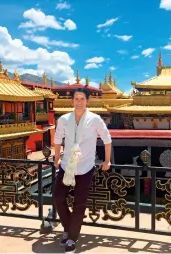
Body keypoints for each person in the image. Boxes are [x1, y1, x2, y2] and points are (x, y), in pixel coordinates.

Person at [53, 87, 112, 253]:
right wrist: (56, 157)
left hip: (86, 167)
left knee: (79, 204)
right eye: (76, 99)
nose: (79, 102)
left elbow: (107, 140)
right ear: (72, 101)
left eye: (82, 99)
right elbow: (57, 139)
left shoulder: (95, 119)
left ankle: (72, 237)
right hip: (66, 165)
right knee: (58, 197)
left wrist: (107, 161)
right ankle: (68, 227)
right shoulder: (64, 119)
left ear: (87, 101)